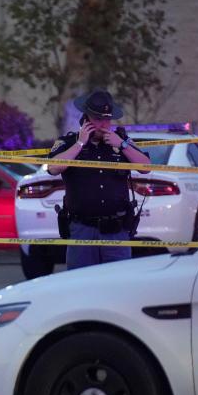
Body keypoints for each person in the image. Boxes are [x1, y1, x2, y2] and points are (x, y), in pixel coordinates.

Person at [48, 89, 151, 270]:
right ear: (86, 118)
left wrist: (123, 145)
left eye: (107, 119)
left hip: (116, 231)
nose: (103, 124)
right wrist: (80, 144)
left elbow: (146, 167)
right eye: (97, 119)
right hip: (82, 229)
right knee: (81, 285)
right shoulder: (69, 142)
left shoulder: (122, 141)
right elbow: (53, 168)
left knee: (118, 285)